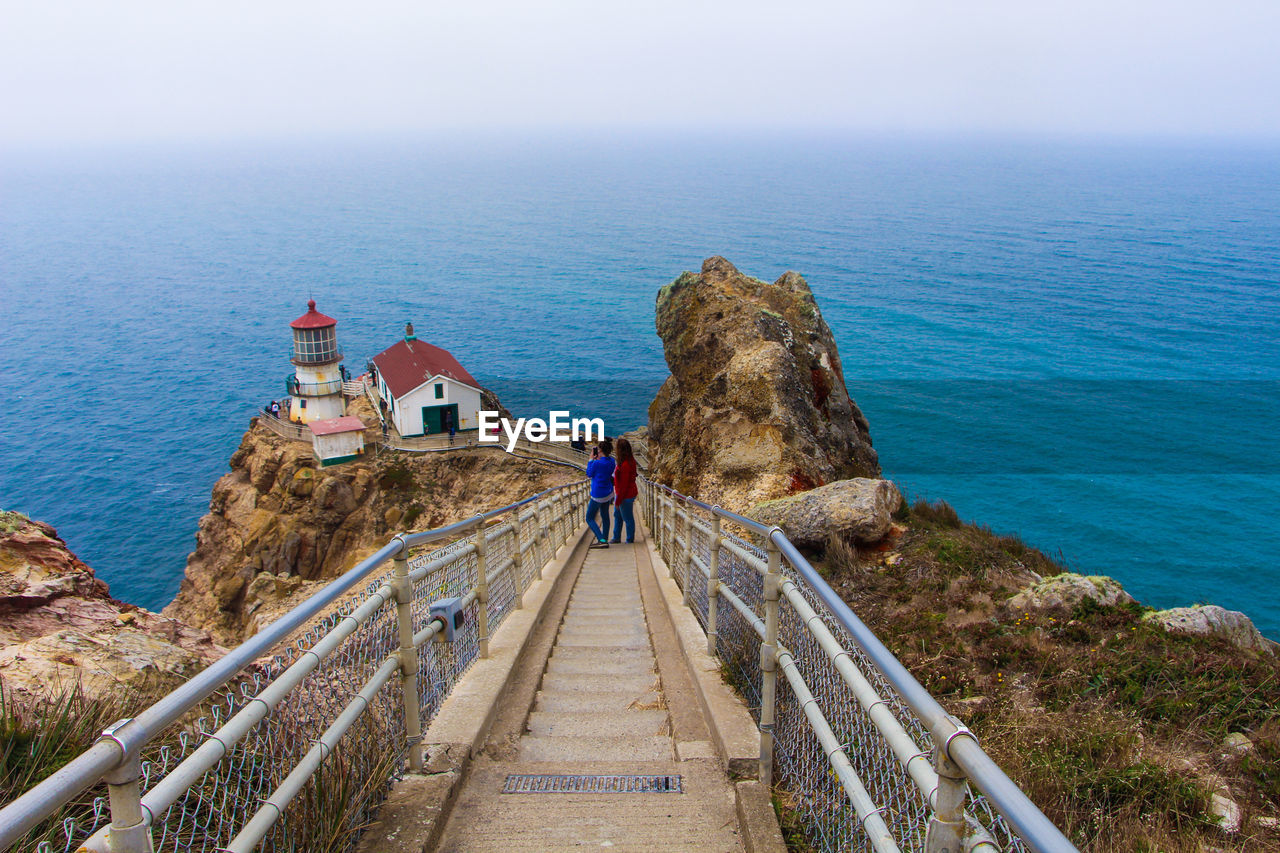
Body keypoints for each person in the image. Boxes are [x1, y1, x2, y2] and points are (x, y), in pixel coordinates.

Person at [584, 439, 616, 547]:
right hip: (608, 492)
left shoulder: (597, 463)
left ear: (600, 450)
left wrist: (590, 460)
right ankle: (605, 539)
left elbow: (589, 473)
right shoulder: (612, 461)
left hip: (598, 494)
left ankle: (601, 539)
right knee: (605, 516)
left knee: (589, 517)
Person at [611, 438, 638, 544]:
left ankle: (629, 539)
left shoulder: (625, 464)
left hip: (625, 494)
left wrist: (618, 501)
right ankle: (616, 537)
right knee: (617, 515)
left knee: (627, 518)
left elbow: (624, 485)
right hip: (625, 493)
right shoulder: (629, 461)